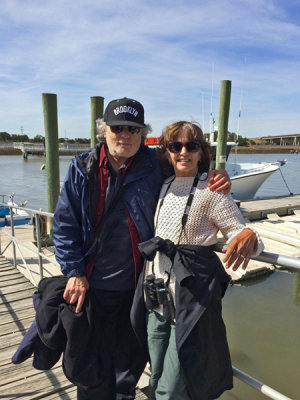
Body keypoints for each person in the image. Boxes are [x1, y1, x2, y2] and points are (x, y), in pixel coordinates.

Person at [52, 98, 235, 400]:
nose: (125, 135)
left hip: (139, 289)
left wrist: (217, 173)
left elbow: (188, 163)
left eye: (133, 129)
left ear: (142, 133)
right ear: (104, 130)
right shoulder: (82, 167)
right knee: (91, 371)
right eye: (118, 127)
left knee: (127, 372)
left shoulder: (154, 164)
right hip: (91, 286)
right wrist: (73, 272)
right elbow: (64, 225)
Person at [131, 121, 264, 400]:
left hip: (187, 304)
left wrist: (250, 235)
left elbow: (239, 230)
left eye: (191, 146)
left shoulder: (213, 192)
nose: (183, 152)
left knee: (172, 387)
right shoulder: (162, 184)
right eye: (175, 146)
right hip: (155, 299)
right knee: (155, 377)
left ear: (201, 152)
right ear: (167, 151)